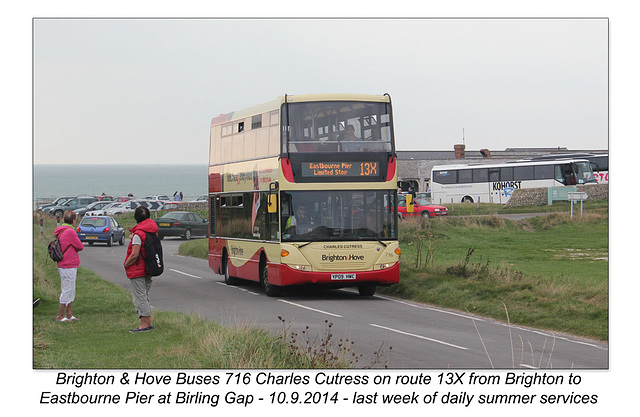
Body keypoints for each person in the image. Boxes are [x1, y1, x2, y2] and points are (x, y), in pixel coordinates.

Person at [124, 205, 159, 333]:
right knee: (144, 295)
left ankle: (143, 325)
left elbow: (135, 254)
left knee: (139, 297)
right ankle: (149, 322)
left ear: (136, 218)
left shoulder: (138, 234)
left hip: (137, 269)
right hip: (149, 267)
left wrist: (126, 264)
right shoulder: (153, 231)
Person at [54, 210, 84, 322]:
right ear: (73, 220)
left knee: (70, 289)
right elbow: (80, 246)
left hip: (66, 263)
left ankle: (69, 314)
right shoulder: (70, 231)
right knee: (67, 289)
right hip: (68, 264)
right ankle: (60, 315)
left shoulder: (61, 230)